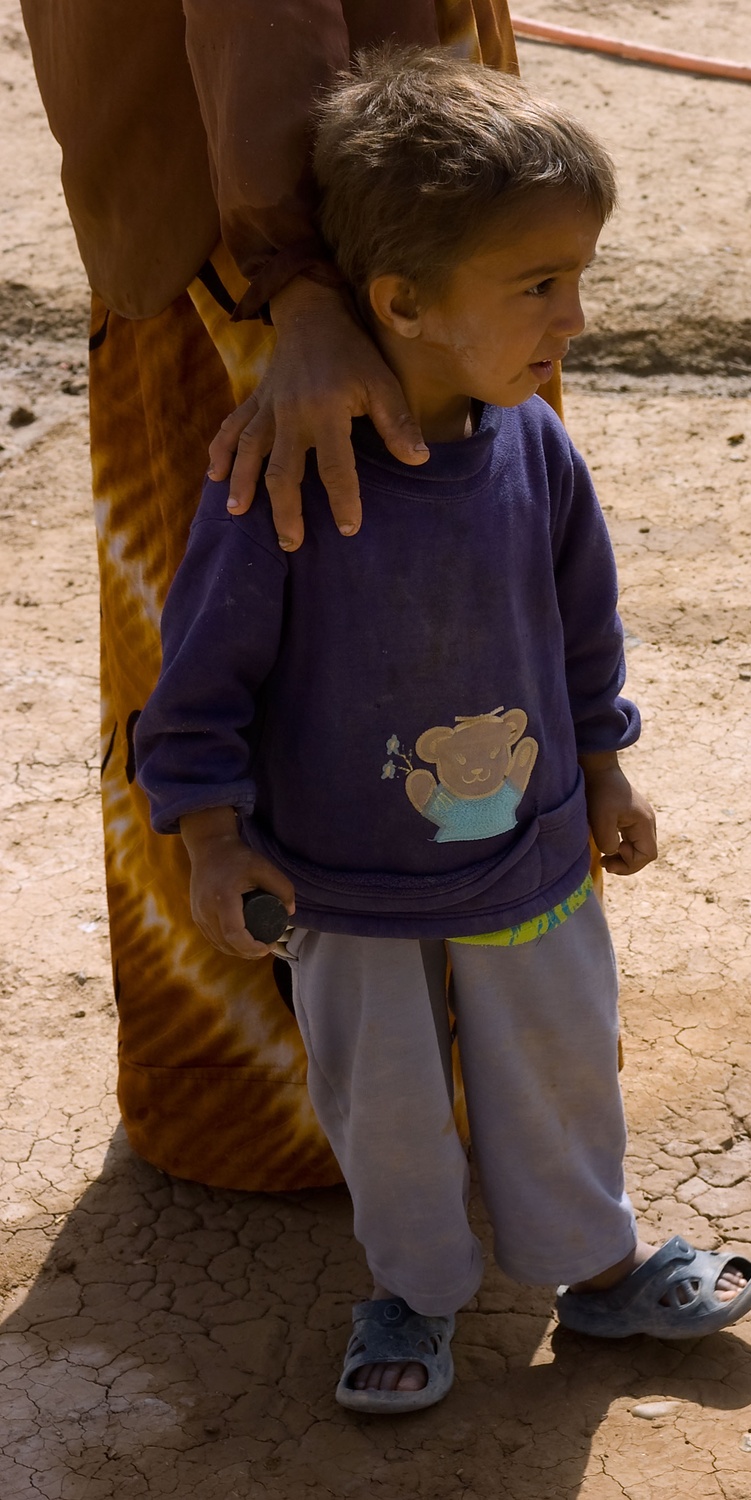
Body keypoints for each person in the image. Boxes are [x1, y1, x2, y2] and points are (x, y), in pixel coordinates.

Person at [134, 50, 751, 1414]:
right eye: (539, 285)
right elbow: (197, 685)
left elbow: (583, 628)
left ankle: (597, 1270)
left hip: (531, 858)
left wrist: (606, 764)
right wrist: (206, 840)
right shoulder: (278, 477)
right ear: (404, 303)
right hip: (339, 882)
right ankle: (413, 1292)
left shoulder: (536, 449)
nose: (577, 318)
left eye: (578, 276)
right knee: (388, 1109)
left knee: (557, 1066)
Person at [21, 0, 523, 1190]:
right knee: (390, 656)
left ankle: (278, 1102)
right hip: (312, 238)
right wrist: (294, 281)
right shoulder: (310, 268)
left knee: (257, 650)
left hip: (256, 197)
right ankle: (384, 1121)